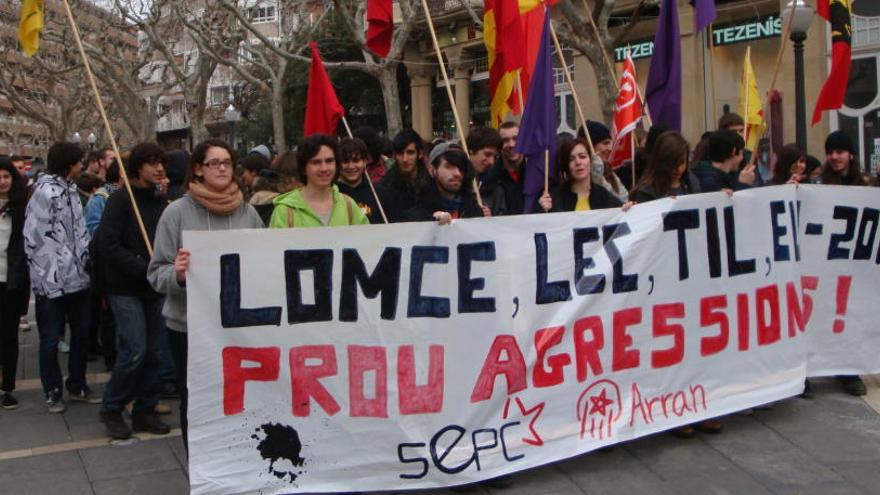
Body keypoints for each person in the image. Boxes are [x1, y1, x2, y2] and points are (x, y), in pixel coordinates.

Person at [148, 139, 264, 450]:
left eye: (227, 162)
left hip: (240, 328)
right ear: (198, 169)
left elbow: (266, 264)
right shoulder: (175, 214)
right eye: (214, 163)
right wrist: (179, 275)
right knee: (198, 400)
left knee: (242, 396)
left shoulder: (249, 213)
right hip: (189, 328)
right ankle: (201, 465)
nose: (223, 168)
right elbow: (156, 273)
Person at [97, 143, 171, 439]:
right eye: (152, 163)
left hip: (155, 289)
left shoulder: (161, 202)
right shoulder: (120, 200)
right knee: (135, 349)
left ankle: (145, 409)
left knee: (154, 352)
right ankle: (112, 407)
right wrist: (143, 267)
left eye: (161, 162)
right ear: (138, 167)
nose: (159, 168)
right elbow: (107, 245)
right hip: (125, 288)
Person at [24, 142, 99, 412]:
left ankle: (77, 383)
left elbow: (79, 232)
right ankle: (52, 390)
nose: (82, 165)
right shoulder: (44, 192)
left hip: (78, 279)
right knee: (50, 339)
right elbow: (36, 238)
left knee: (81, 334)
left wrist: (84, 263)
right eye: (79, 161)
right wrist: (49, 278)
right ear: (70, 163)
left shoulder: (71, 190)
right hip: (52, 283)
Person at [269, 134, 369, 228]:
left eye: (329, 161)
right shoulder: (285, 211)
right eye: (316, 162)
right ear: (304, 168)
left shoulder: (349, 206)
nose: (324, 168)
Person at [0, 158, 30, 409]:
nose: (2, 181)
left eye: (6, 176)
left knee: (8, 336)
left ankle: (6, 386)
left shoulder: (22, 207)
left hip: (10, 282)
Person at [537, 138, 625, 213]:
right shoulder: (554, 198)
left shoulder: (604, 196)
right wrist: (542, 210)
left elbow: (621, 217)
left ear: (590, 161)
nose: (578, 162)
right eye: (571, 159)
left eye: (582, 157)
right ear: (566, 165)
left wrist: (629, 209)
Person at [406, 149, 484, 223]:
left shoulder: (474, 211)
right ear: (433, 170)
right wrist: (430, 220)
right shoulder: (418, 212)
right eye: (449, 167)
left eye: (461, 168)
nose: (457, 173)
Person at [629, 131, 702, 203]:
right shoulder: (647, 192)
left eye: (682, 162)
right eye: (673, 163)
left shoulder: (692, 184)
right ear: (661, 161)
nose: (678, 169)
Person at [336, 137, 395, 224]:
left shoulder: (381, 195)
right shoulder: (330, 195)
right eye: (345, 161)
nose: (351, 166)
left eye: (356, 160)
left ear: (365, 162)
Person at [380, 129, 431, 217]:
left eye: (410, 152)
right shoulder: (384, 188)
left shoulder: (432, 186)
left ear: (420, 154)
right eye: (400, 153)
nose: (405, 159)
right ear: (394, 155)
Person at [691, 130, 756, 192]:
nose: (742, 157)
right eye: (741, 153)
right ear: (733, 151)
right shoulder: (709, 183)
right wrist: (743, 184)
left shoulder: (703, 173)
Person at [483, 121, 525, 216]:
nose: (511, 144)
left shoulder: (536, 175)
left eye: (516, 138)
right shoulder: (489, 178)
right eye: (505, 140)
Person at [583, 121, 629, 202]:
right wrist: (596, 170)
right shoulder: (582, 173)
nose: (610, 148)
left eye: (610, 143)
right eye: (605, 143)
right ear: (591, 145)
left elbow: (622, 198)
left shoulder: (607, 168)